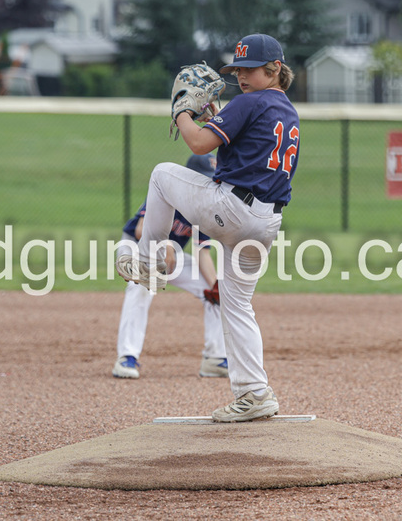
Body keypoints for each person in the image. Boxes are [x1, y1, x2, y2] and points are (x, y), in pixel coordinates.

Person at [116, 34, 299, 422]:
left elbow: (198, 145)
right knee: (236, 304)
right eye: (238, 71)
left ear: (275, 69)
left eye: (250, 69)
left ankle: (147, 262)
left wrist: (182, 111)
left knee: (163, 174)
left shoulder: (249, 101)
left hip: (232, 209)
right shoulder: (285, 110)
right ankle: (254, 392)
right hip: (266, 223)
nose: (242, 77)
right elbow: (239, 145)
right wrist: (215, 116)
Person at [113, 154, 227, 380]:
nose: (207, 185)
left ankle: (215, 358)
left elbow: (203, 252)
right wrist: (163, 244)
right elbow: (140, 230)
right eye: (203, 179)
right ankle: (127, 357)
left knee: (216, 291)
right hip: (136, 249)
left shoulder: (203, 208)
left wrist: (216, 285)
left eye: (211, 180)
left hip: (170, 255)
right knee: (142, 284)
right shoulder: (167, 191)